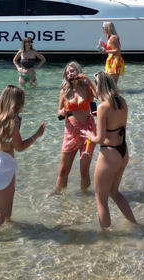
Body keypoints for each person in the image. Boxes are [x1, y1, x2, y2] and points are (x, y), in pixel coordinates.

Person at [0, 85, 45, 230]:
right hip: (1, 164)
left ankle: (9, 230)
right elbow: (19, 147)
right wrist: (37, 135)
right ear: (16, 103)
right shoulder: (13, 122)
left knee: (8, 200)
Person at [81, 72, 136, 229]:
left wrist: (89, 135)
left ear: (99, 87)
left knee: (100, 198)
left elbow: (99, 138)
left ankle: (105, 237)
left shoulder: (103, 107)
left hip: (109, 153)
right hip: (123, 151)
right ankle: (135, 224)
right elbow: (120, 126)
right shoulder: (122, 102)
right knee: (115, 192)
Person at [55, 61, 97, 192]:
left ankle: (85, 197)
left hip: (88, 131)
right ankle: (58, 194)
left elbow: (100, 96)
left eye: (72, 71)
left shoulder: (87, 87)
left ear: (78, 71)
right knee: (63, 170)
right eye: (67, 72)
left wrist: (89, 82)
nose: (70, 74)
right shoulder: (65, 90)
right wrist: (61, 112)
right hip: (71, 130)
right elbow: (59, 110)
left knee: (84, 170)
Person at [98, 21, 124, 85]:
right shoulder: (109, 37)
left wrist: (105, 51)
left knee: (113, 83)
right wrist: (103, 45)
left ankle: (117, 94)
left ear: (107, 28)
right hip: (110, 60)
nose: (102, 29)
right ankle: (116, 93)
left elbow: (118, 50)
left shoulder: (113, 38)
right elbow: (109, 49)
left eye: (103, 27)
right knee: (108, 82)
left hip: (115, 60)